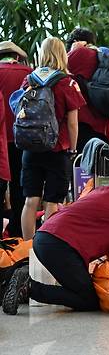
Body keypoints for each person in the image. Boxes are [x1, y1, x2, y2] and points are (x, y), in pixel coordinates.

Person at [2, 171, 109, 315]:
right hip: (62, 246)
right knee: (89, 299)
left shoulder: (102, 192)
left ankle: (16, 286)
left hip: (45, 236)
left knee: (82, 288)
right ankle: (30, 288)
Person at [20, 37, 86, 240]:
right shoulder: (68, 82)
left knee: (31, 200)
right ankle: (45, 247)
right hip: (57, 149)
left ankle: (27, 249)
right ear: (62, 55)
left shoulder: (30, 80)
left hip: (31, 147)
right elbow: (73, 123)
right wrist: (73, 149)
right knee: (51, 201)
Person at [0, 41, 31, 237]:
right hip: (26, 137)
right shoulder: (29, 73)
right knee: (22, 185)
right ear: (17, 56)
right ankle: (20, 229)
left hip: (3, 140)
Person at [66, 28, 109, 149]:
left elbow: (58, 72)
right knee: (100, 164)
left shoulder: (79, 54)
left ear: (76, 41)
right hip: (104, 124)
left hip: (83, 123)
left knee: (82, 166)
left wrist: (72, 51)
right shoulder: (102, 55)